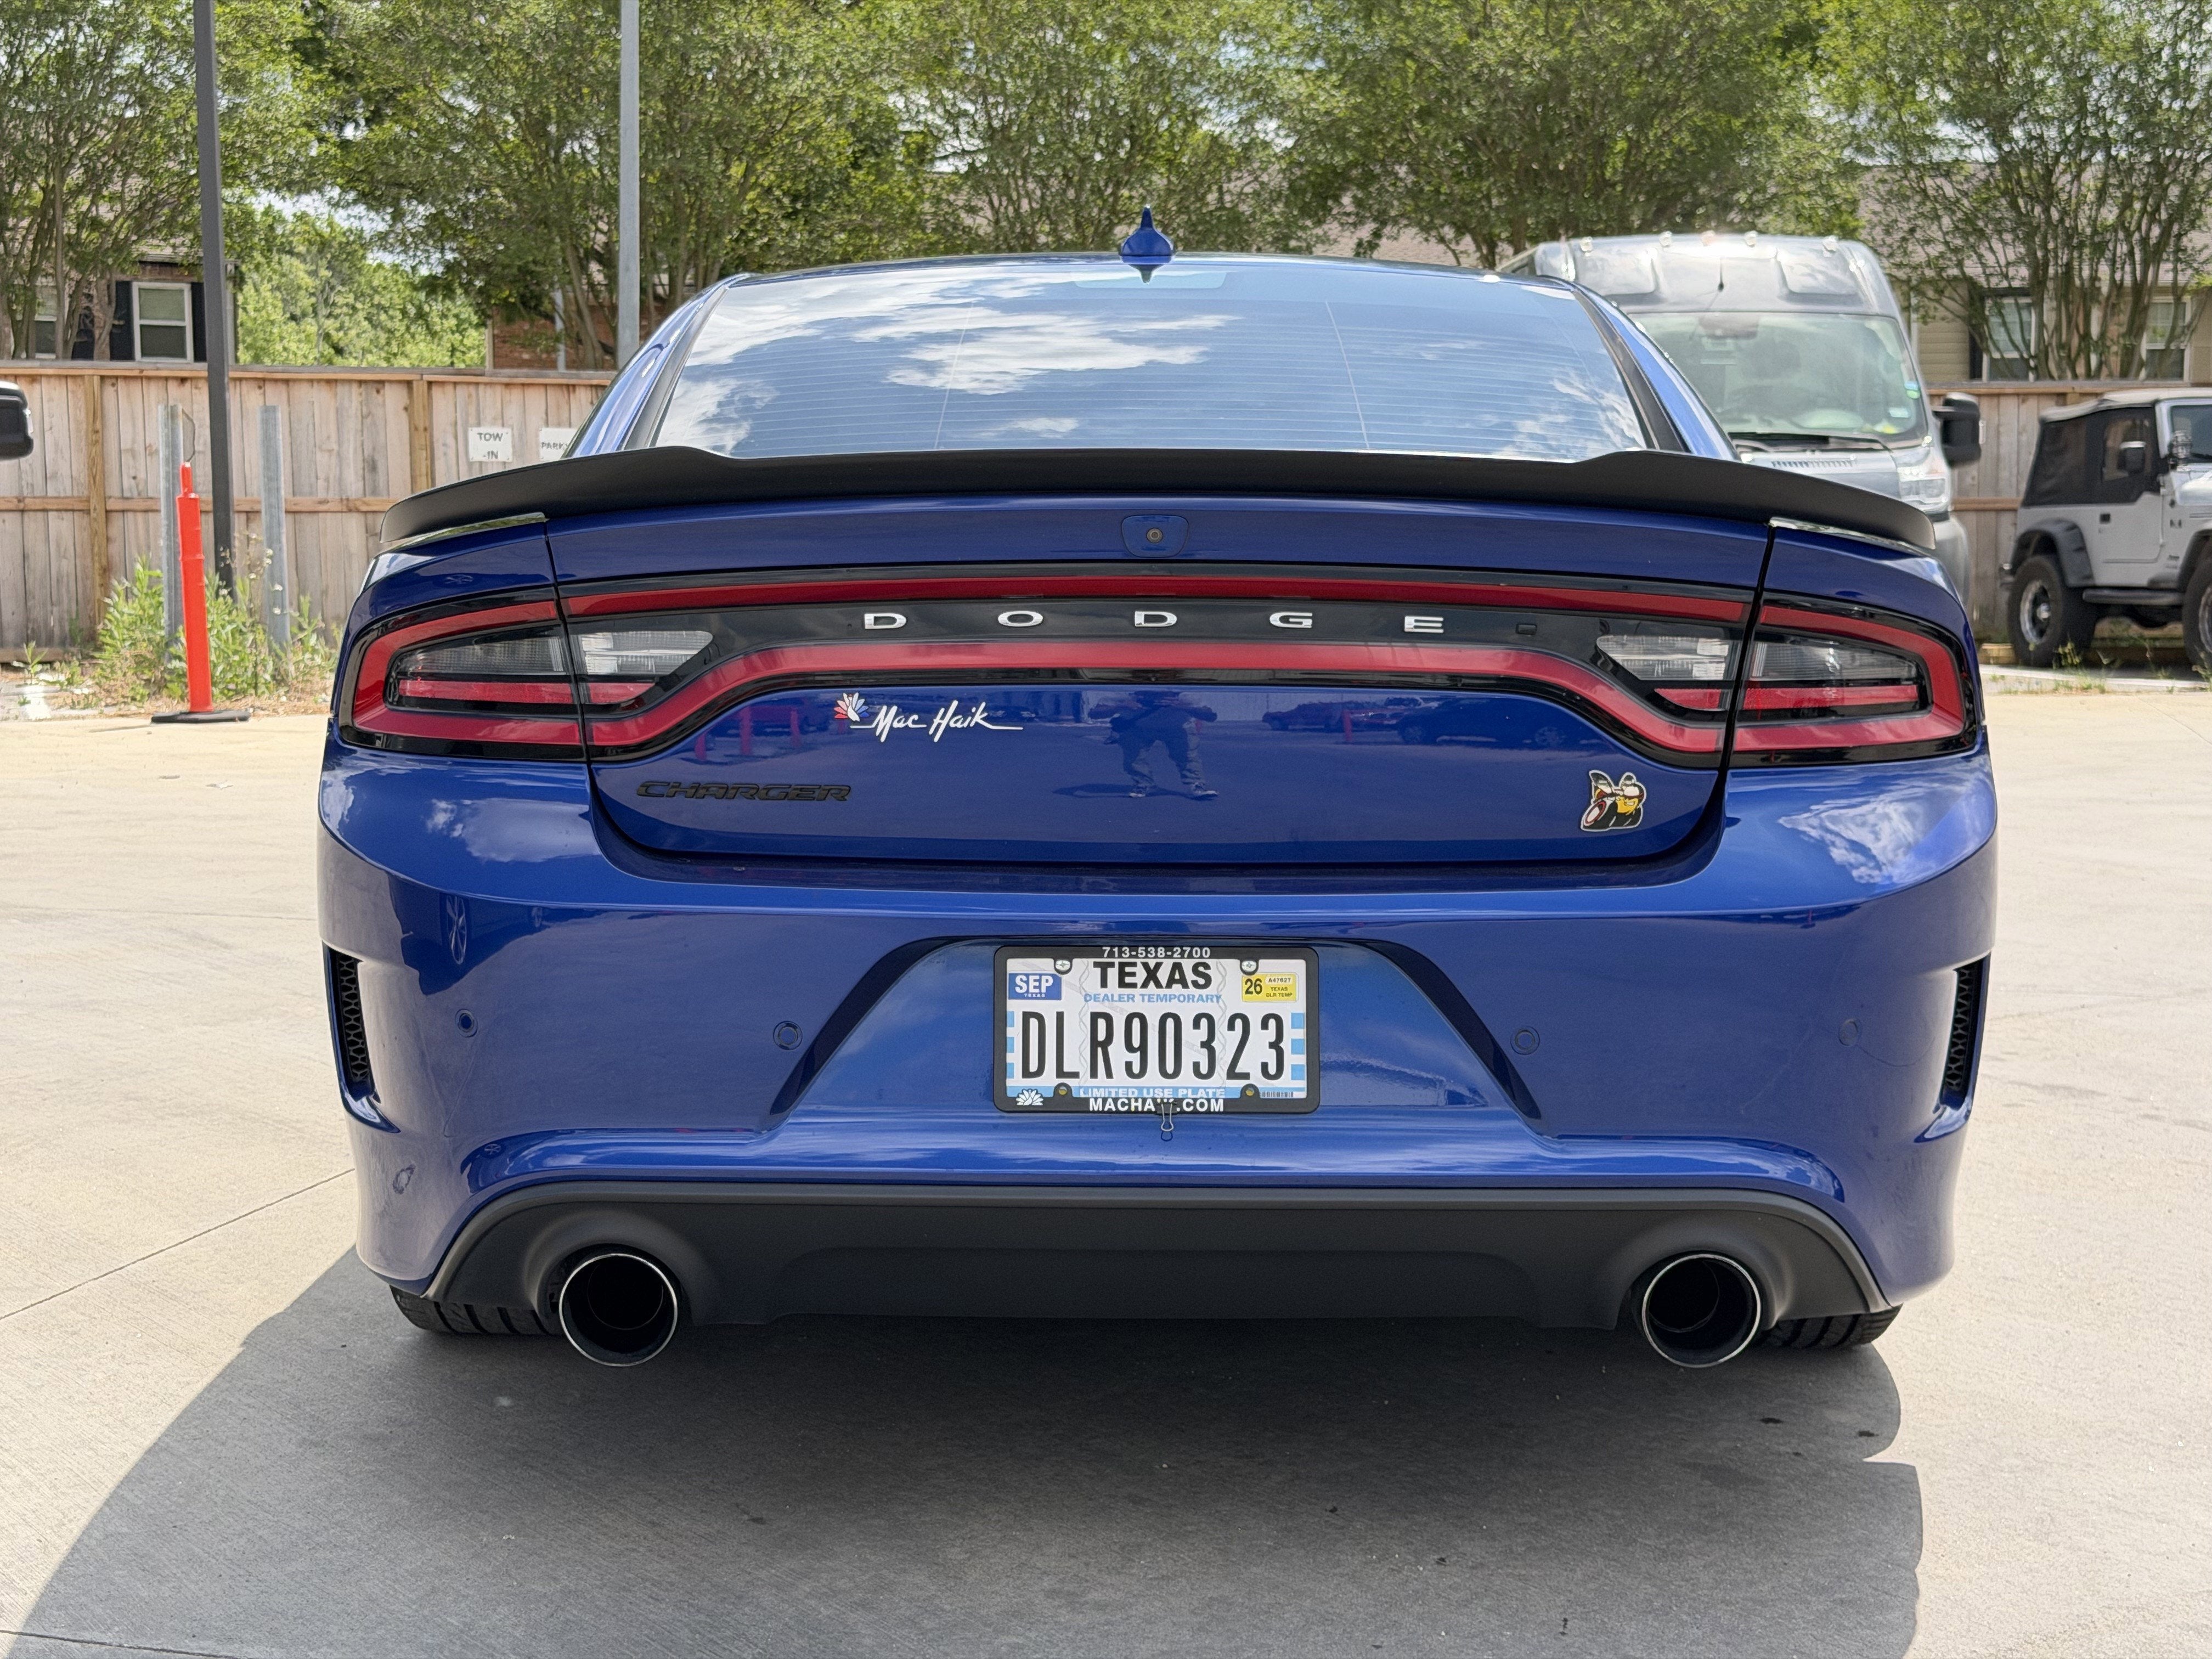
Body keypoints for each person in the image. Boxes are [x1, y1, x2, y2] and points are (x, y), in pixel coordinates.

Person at [1095, 688, 1218, 798]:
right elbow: (1095, 714)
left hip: (1177, 726)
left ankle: (1196, 784)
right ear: (1139, 692)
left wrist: (1181, 706)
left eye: (1160, 695)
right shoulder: (1124, 694)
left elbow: (1211, 716)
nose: (1155, 699)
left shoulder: (1186, 696)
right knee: (1133, 757)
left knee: (1187, 755)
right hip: (1139, 727)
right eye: (1149, 695)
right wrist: (1121, 706)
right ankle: (1143, 783)